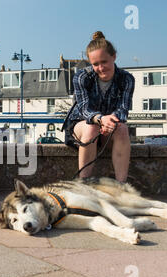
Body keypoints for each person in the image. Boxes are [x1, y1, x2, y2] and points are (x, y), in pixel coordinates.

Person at [63, 31, 135, 182]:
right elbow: (84, 108)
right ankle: (84, 183)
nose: (101, 68)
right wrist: (101, 119)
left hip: (110, 128)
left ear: (114, 57)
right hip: (81, 127)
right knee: (91, 127)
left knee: (122, 129)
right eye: (95, 64)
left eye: (104, 62)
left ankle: (121, 185)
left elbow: (123, 109)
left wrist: (110, 121)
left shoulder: (127, 79)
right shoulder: (82, 77)